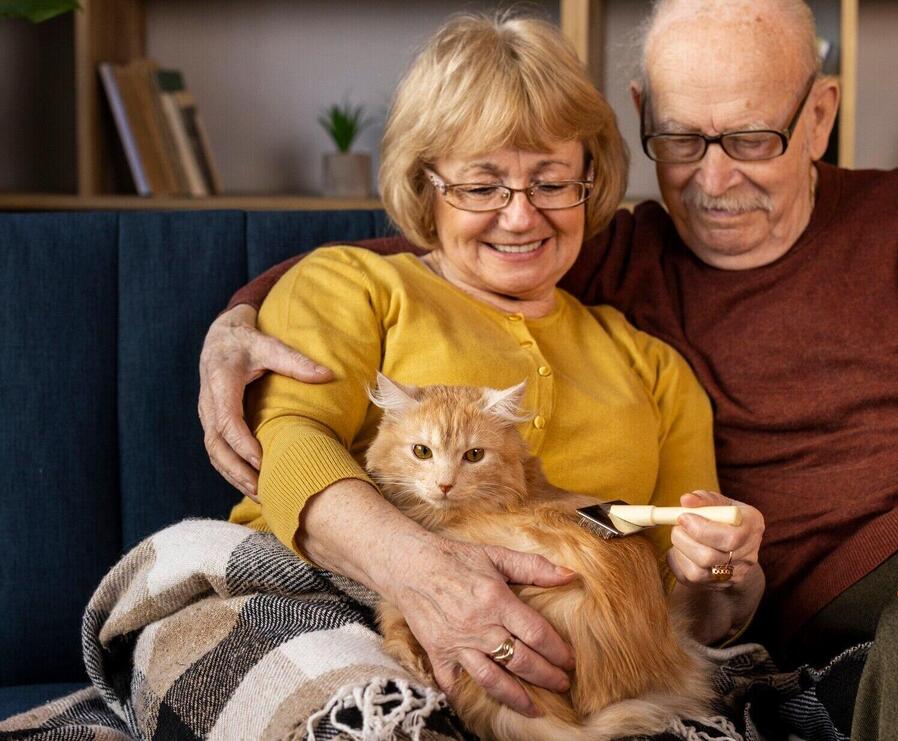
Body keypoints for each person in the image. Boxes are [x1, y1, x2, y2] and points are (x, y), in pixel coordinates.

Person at [200, 1, 898, 738]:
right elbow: (443, 240)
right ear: (640, 121)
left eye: (755, 137)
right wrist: (239, 316)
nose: (714, 179)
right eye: (680, 139)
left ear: (820, 116)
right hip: (886, 615)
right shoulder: (617, 253)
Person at [221, 12, 767, 721]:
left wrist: (729, 568)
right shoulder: (350, 286)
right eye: (481, 187)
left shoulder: (651, 366)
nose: (520, 218)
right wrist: (421, 574)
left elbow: (685, 607)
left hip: (588, 667)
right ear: (426, 186)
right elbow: (287, 445)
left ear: (589, 180)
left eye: (550, 182)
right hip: (334, 606)